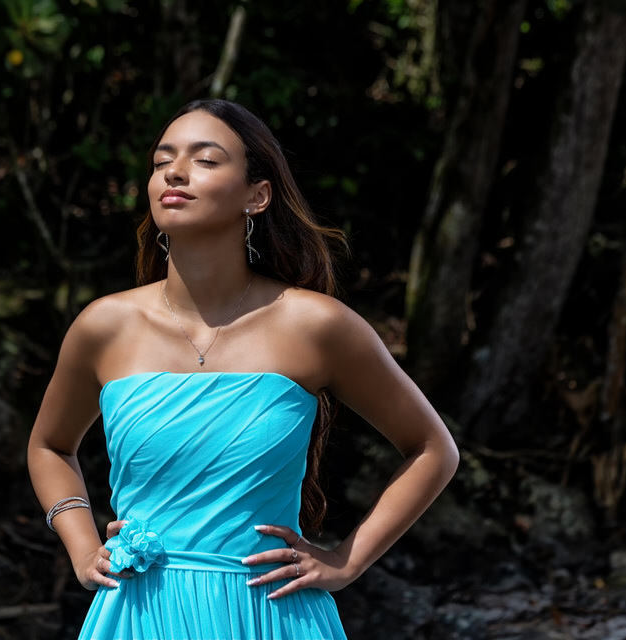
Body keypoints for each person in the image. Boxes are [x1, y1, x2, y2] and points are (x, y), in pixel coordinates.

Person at [27, 99, 459, 639]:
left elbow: (433, 449)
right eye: (162, 162)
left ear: (258, 195)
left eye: (205, 160)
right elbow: (49, 446)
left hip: (269, 614)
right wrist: (82, 546)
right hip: (139, 615)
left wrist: (347, 561)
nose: (175, 172)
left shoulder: (315, 325)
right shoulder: (104, 326)